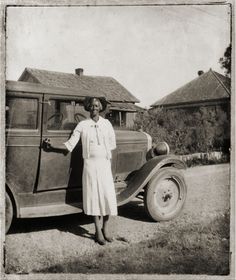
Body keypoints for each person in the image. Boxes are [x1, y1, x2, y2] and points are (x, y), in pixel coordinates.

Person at [46, 96, 117, 245]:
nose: (94, 108)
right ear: (88, 107)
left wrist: (111, 167)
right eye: (92, 105)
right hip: (91, 166)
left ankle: (106, 229)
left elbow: (112, 147)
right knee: (95, 199)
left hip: (104, 166)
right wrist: (53, 145)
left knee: (107, 197)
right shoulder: (83, 125)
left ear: (101, 107)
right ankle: (98, 232)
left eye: (97, 105)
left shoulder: (107, 124)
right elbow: (69, 144)